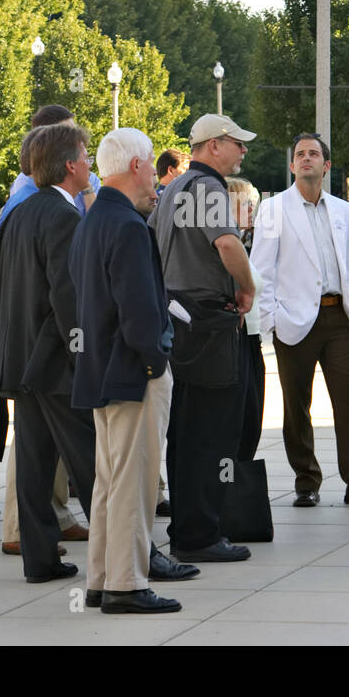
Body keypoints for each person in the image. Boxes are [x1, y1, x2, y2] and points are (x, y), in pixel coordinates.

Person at [70, 127, 200, 614]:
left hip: (101, 369)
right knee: (134, 480)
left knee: (111, 480)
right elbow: (139, 312)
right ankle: (126, 584)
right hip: (131, 372)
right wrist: (155, 360)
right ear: (136, 166)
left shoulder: (92, 219)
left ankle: (105, 578)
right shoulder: (125, 224)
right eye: (149, 166)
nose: (154, 179)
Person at [253, 134, 349, 508]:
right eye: (300, 154)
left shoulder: (341, 209)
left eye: (313, 154)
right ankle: (306, 481)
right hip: (295, 322)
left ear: (326, 165)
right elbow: (261, 272)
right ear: (292, 166)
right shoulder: (273, 210)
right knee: (297, 405)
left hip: (341, 319)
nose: (306, 159)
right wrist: (272, 320)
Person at [0, 123, 97, 583]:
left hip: (22, 361)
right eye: (86, 156)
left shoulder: (18, 213)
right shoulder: (64, 217)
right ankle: (129, 556)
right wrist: (84, 357)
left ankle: (40, 560)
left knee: (33, 466)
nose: (91, 164)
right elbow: (67, 299)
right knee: (93, 465)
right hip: (55, 366)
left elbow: (2, 287)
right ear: (70, 166)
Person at [149, 113, 256, 563]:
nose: (243, 151)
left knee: (185, 431)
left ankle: (187, 529)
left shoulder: (172, 187)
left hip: (177, 316)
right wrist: (247, 287)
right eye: (237, 143)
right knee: (211, 433)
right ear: (213, 145)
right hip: (207, 320)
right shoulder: (208, 187)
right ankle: (200, 533)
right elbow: (228, 245)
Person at [0, 105, 100, 224]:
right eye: (66, 133)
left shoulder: (88, 177)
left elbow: (99, 228)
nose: (76, 139)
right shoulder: (25, 184)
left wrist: (86, 188)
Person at [227, 177, 264, 461]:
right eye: (247, 204)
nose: (253, 210)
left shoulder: (239, 242)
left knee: (251, 422)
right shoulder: (227, 245)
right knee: (242, 423)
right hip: (238, 340)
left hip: (252, 338)